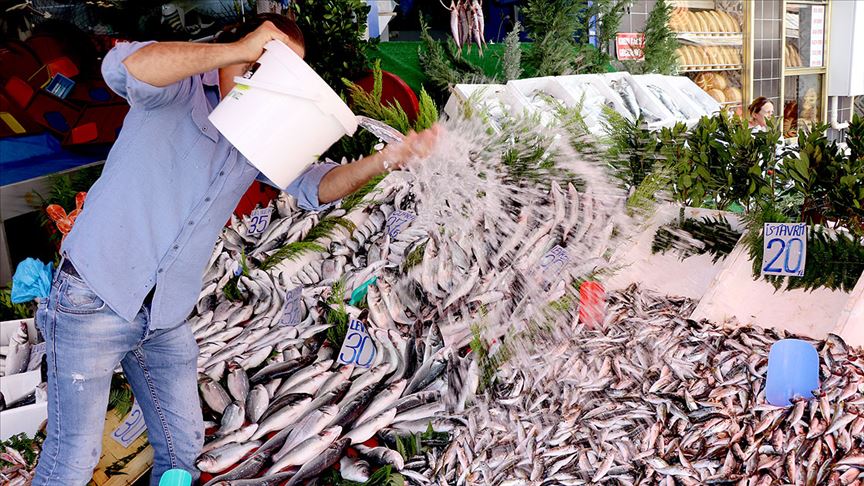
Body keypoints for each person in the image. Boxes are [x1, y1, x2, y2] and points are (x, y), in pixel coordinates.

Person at [31, 13, 438, 486]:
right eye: (260, 64)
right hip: (95, 297)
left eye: (279, 74)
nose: (262, 80)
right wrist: (237, 52)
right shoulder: (177, 87)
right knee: (73, 461)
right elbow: (126, 67)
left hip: (165, 314)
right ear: (237, 44)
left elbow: (315, 187)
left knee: (183, 452)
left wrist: (388, 158)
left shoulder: (262, 130)